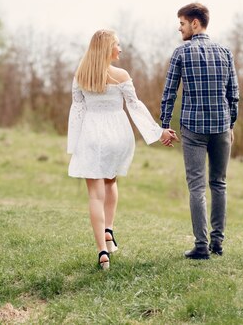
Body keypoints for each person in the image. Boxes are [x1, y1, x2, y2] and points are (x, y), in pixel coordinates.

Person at [67, 29, 178, 270]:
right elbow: (135, 107)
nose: (120, 49)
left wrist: (74, 144)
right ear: (107, 48)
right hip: (118, 135)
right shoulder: (121, 75)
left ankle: (102, 252)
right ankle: (109, 230)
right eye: (117, 44)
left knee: (95, 194)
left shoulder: (82, 75)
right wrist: (158, 132)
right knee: (111, 182)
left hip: (91, 135)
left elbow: (77, 110)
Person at [160, 3, 240, 259]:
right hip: (221, 127)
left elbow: (169, 92)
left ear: (195, 23)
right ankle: (217, 244)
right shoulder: (225, 52)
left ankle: (201, 246)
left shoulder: (181, 53)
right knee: (219, 183)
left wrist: (164, 124)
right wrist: (231, 124)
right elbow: (234, 94)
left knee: (196, 186)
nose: (179, 28)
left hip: (193, 128)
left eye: (182, 23)